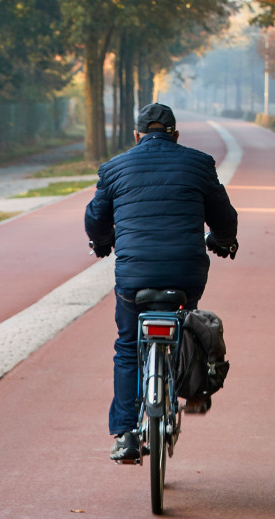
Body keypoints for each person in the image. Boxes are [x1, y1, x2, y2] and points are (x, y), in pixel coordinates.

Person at [84, 103, 238, 463]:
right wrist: (223, 240)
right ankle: (195, 393)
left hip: (135, 277)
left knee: (126, 345)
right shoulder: (199, 164)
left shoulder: (114, 168)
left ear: (136, 136)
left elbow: (96, 219)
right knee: (187, 324)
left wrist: (104, 242)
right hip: (185, 272)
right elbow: (224, 215)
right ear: (176, 135)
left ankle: (125, 434)